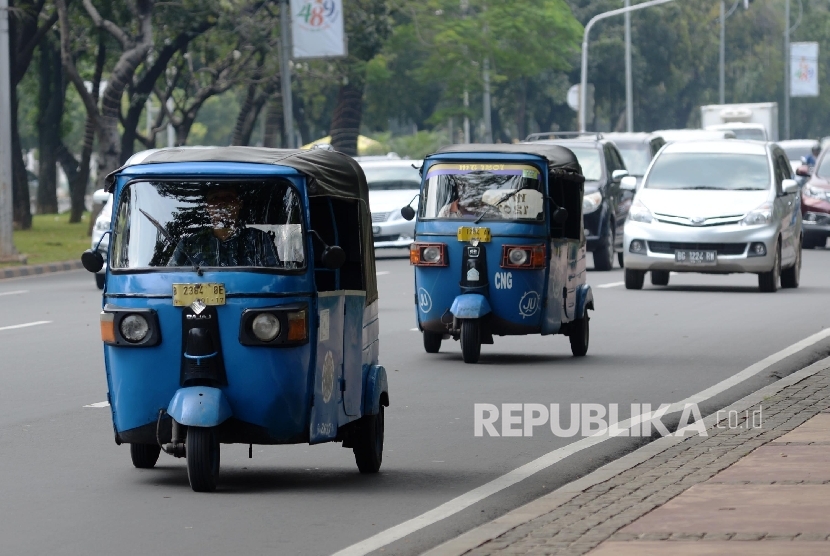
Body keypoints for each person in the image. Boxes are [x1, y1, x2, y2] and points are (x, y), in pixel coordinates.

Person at [168, 187, 279, 267]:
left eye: (228, 198)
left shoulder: (259, 240)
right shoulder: (188, 244)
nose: (221, 203)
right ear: (207, 207)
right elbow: (168, 281)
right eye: (214, 198)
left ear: (239, 204)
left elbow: (275, 281)